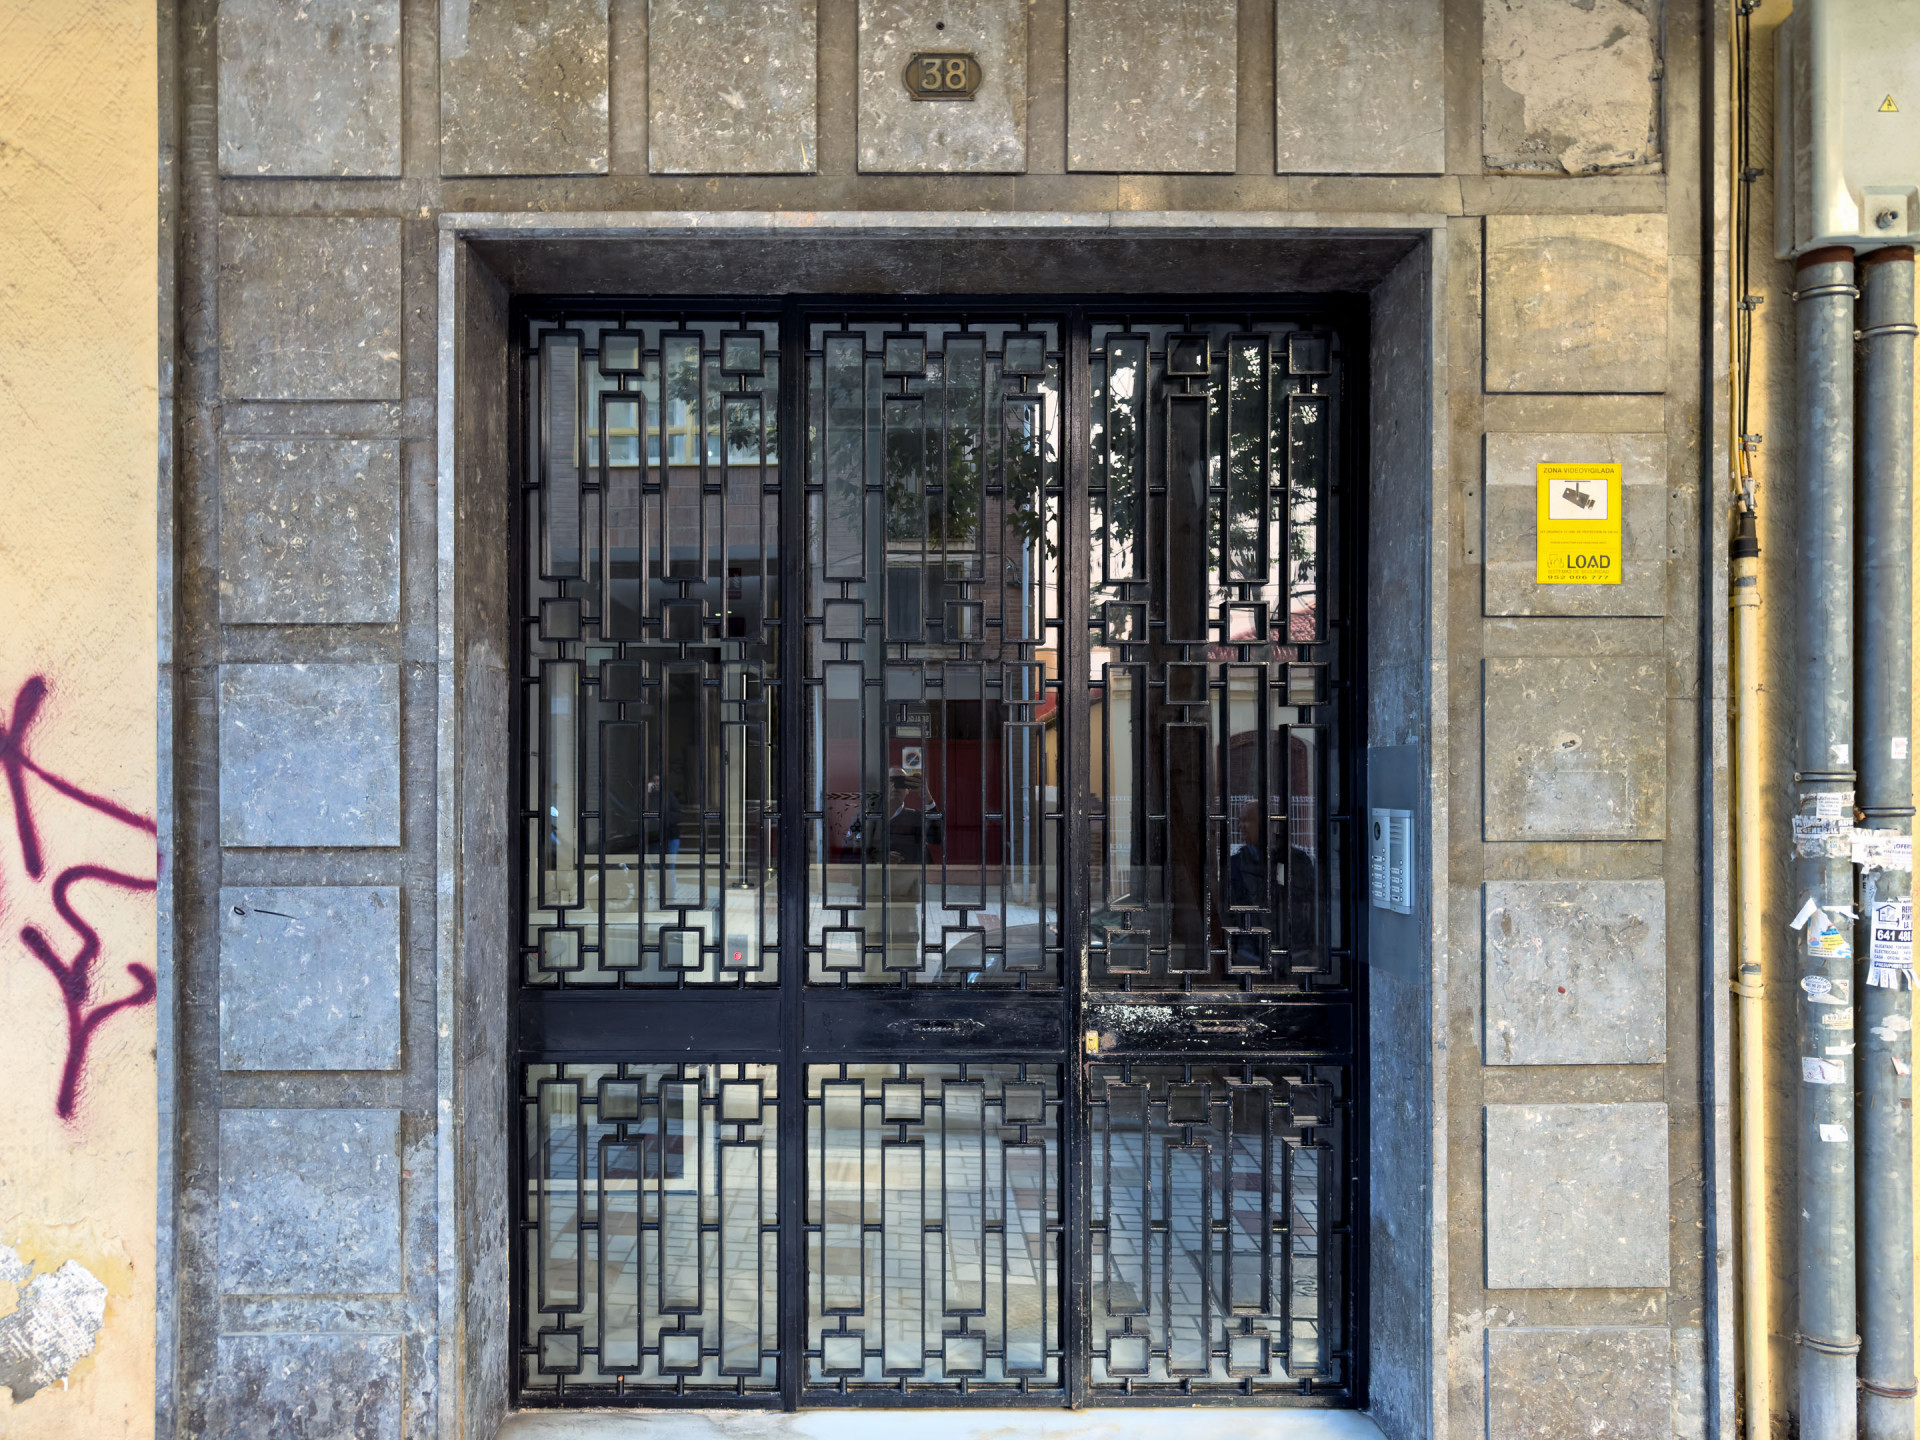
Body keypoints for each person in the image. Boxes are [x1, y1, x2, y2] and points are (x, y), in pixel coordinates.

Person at [644, 776, 682, 855]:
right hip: (652, 837)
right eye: (654, 781)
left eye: (658, 781)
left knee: (670, 864)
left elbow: (678, 815)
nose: (656, 784)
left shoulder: (669, 796)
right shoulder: (647, 796)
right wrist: (647, 793)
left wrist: (662, 818)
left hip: (669, 836)